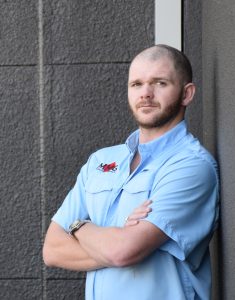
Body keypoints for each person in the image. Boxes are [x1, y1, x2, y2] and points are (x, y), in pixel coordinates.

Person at [43, 44, 219, 300]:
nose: (145, 94)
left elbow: (122, 252)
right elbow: (53, 250)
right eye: (136, 84)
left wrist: (79, 226)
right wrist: (116, 238)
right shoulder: (101, 161)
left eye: (160, 83)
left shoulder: (191, 166)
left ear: (186, 94)